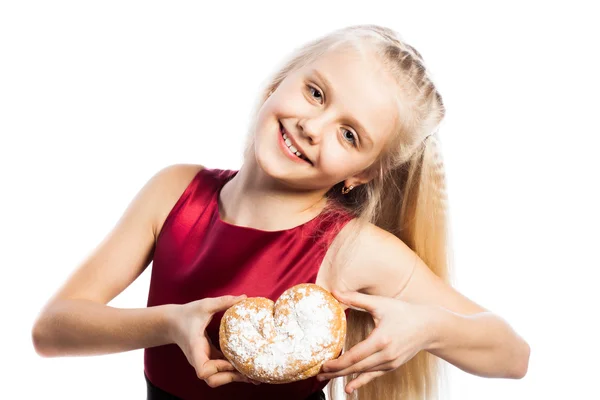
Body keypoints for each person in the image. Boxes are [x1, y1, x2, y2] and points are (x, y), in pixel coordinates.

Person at [31, 24, 530, 400]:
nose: (314, 126)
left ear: (362, 175)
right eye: (315, 93)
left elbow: (513, 356)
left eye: (349, 134)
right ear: (278, 81)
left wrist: (429, 328)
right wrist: (168, 324)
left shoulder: (353, 250)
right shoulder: (174, 191)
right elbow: (52, 330)